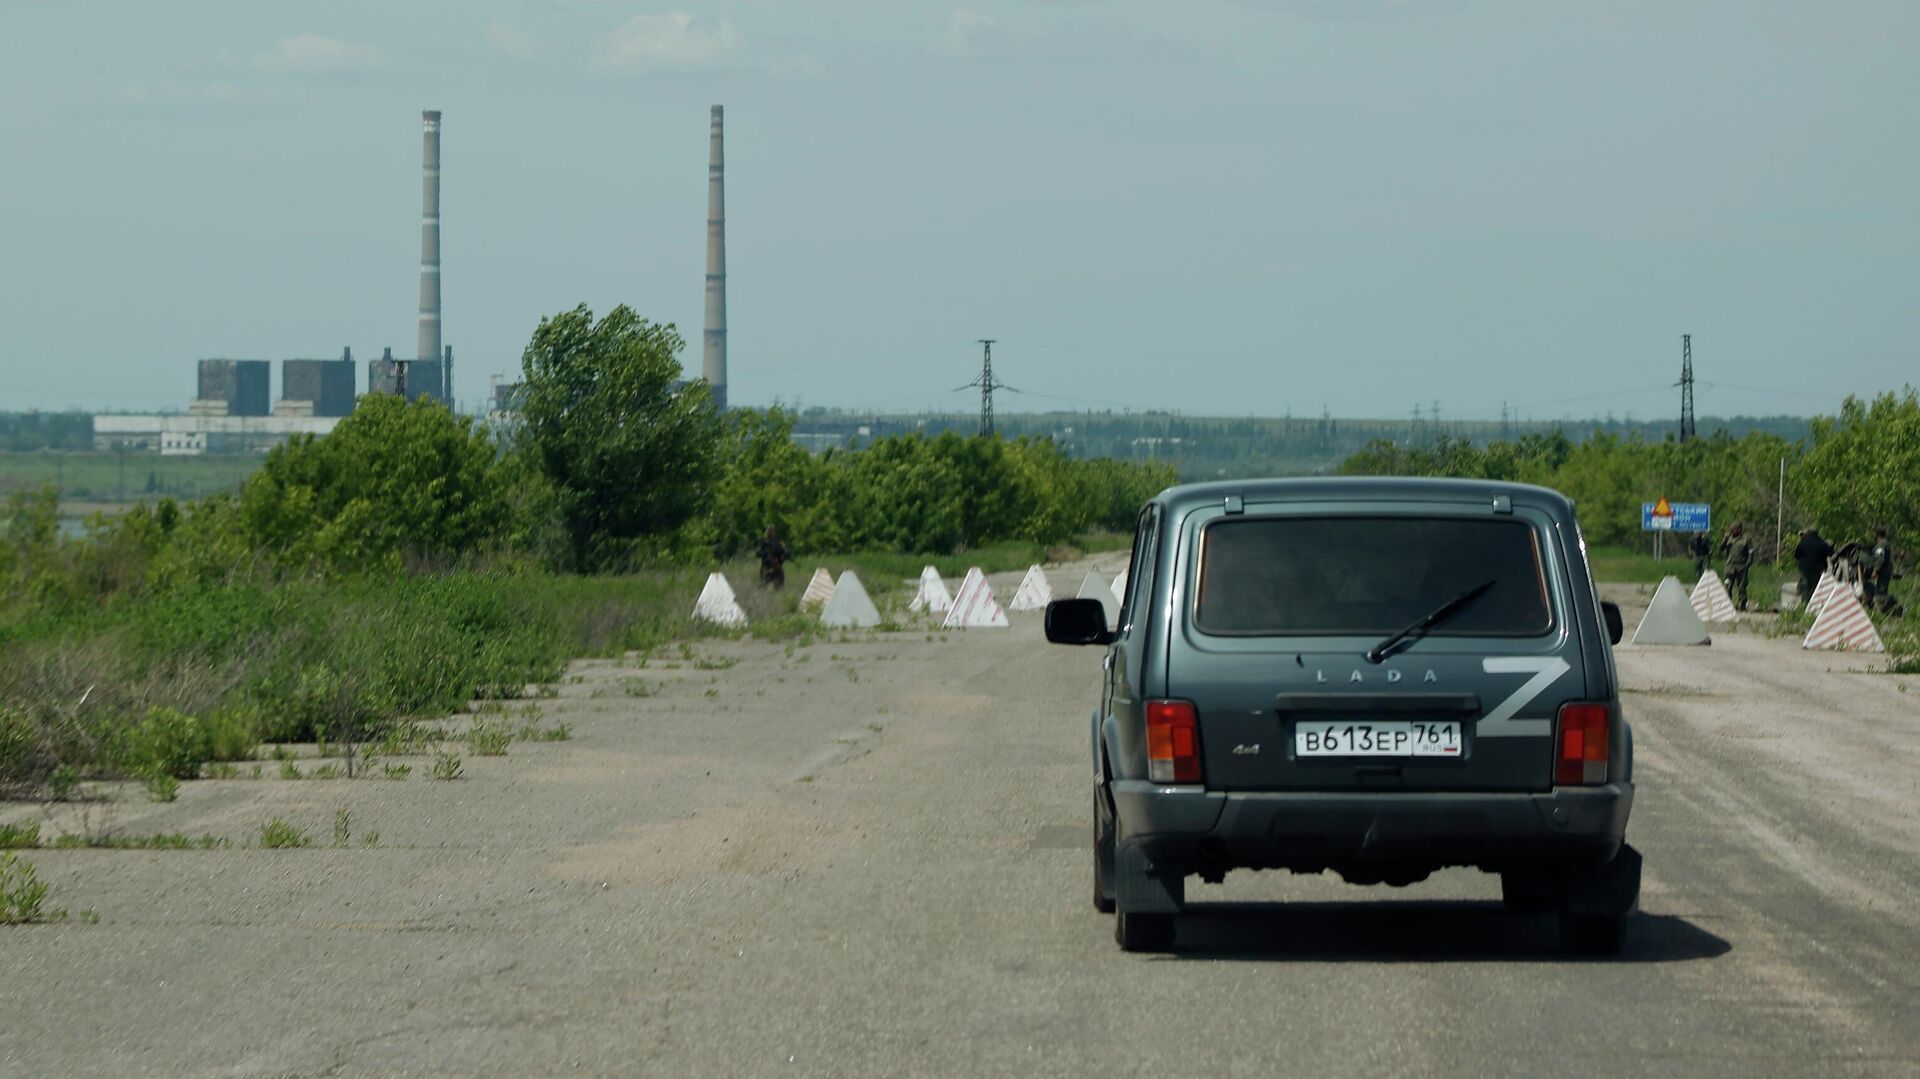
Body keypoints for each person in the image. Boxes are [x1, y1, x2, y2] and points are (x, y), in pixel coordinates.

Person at [1792, 525, 1835, 603]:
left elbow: (1796, 556)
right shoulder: (1822, 543)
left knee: (1805, 588)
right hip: (1817, 569)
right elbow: (1831, 554)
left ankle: (1805, 605)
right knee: (1815, 588)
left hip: (1805, 569)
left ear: (1808, 534)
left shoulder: (1802, 543)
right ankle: (1814, 604)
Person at [1719, 521, 1755, 611]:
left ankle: (1742, 604)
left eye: (1733, 529)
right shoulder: (1728, 539)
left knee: (1742, 586)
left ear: (1738, 530)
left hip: (1742, 566)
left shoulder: (1746, 539)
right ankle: (1728, 605)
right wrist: (1724, 539)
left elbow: (1751, 551)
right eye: (1730, 530)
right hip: (1730, 566)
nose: (1731, 531)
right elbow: (1721, 549)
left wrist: (1748, 563)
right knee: (1727, 585)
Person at [1863, 527, 1897, 614]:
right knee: (1879, 595)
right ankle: (1888, 610)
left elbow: (1880, 558)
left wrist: (1875, 570)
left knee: (1879, 597)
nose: (1872, 535)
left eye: (1874, 533)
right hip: (1884, 572)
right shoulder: (1883, 543)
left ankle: (1892, 601)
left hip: (1883, 573)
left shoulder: (1881, 544)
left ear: (1877, 534)